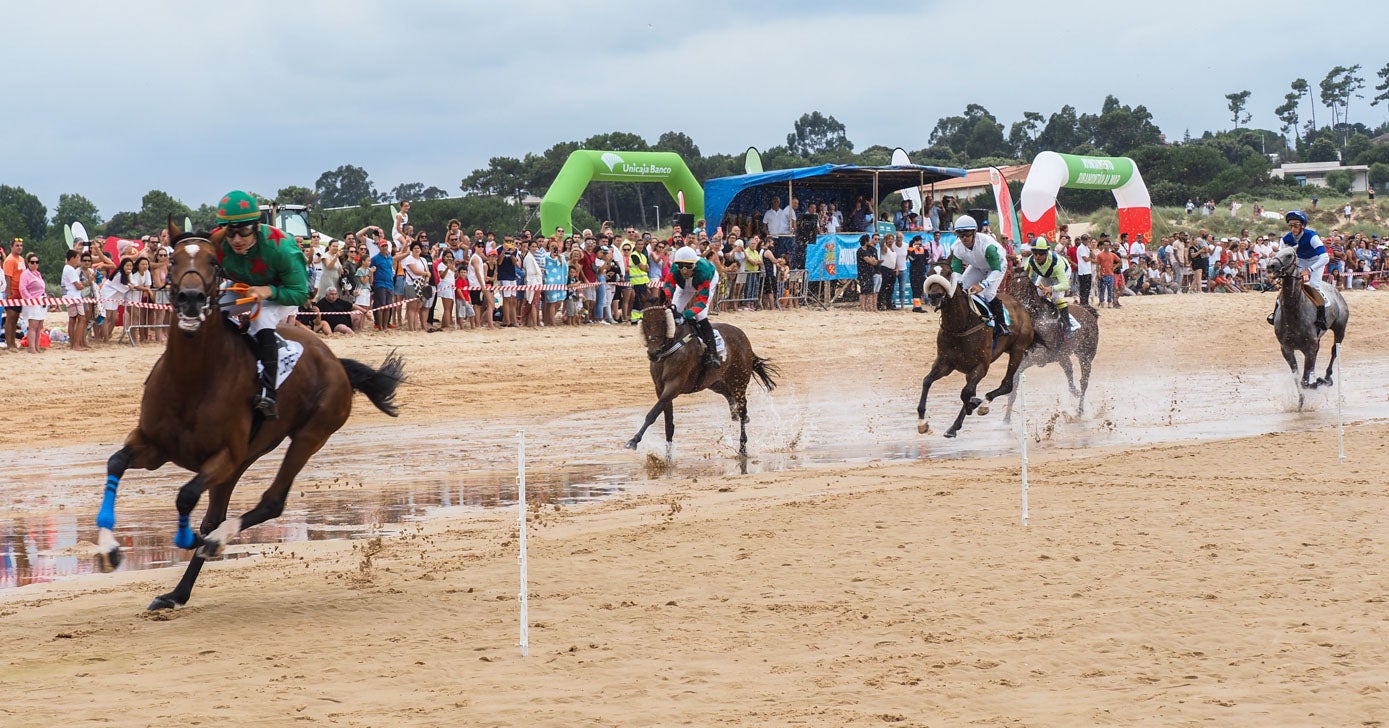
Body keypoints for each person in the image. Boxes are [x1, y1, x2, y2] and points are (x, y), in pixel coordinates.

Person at [214, 189, 310, 419]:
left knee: (263, 318)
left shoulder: (282, 249)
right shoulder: (218, 243)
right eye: (230, 232)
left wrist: (269, 291)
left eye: (244, 231)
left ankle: (269, 393)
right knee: (214, 311)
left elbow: (300, 294)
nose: (236, 240)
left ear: (256, 226)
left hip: (283, 291)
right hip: (246, 288)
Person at [946, 215, 1010, 335]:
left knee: (988, 293)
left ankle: (1002, 324)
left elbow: (996, 269)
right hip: (977, 266)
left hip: (996, 267)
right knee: (962, 288)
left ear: (975, 232)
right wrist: (956, 284)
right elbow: (956, 272)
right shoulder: (956, 247)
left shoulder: (988, 246)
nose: (964, 238)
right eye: (960, 235)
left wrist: (982, 285)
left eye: (967, 234)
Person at [1268, 210, 1329, 332]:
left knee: (1313, 285)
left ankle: (1321, 316)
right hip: (1300, 260)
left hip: (1316, 261)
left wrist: (1309, 270)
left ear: (1303, 226)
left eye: (1296, 225)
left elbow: (1325, 257)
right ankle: (1275, 313)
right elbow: (1282, 255)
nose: (1293, 228)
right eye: (1290, 225)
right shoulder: (1286, 238)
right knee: (1287, 285)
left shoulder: (1312, 236)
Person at [662, 246, 721, 368]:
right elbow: (669, 285)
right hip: (685, 284)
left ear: (694, 265)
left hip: (707, 280)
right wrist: (667, 297)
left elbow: (701, 302)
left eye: (688, 267)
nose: (684, 271)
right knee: (673, 310)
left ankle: (712, 353)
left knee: (700, 315)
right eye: (681, 266)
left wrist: (686, 315)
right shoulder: (674, 269)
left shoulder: (703, 273)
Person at [1025, 237, 1072, 331]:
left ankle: (1068, 326)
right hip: (1045, 274)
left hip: (1062, 272)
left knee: (1056, 298)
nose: (1038, 256)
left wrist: (1051, 288)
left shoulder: (1056, 263)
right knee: (1037, 294)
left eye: (1041, 253)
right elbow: (1027, 278)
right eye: (1035, 253)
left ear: (1047, 252)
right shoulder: (1030, 261)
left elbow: (1065, 285)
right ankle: (1045, 312)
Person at [19, 253, 46, 353]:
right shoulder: (25, 274)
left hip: (41, 301)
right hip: (33, 302)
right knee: (33, 326)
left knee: (39, 326)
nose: (35, 264)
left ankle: (37, 346)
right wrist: (30, 299)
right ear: (28, 263)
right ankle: (32, 348)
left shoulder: (37, 273)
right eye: (32, 262)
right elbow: (22, 288)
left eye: (36, 262)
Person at [3, 238, 23, 352]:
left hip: (20, 293)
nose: (19, 247)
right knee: (10, 319)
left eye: (21, 245)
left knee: (15, 319)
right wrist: (9, 292)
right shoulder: (10, 260)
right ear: (11, 247)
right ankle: (9, 343)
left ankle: (13, 342)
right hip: (12, 292)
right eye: (17, 245)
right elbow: (8, 277)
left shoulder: (21, 259)